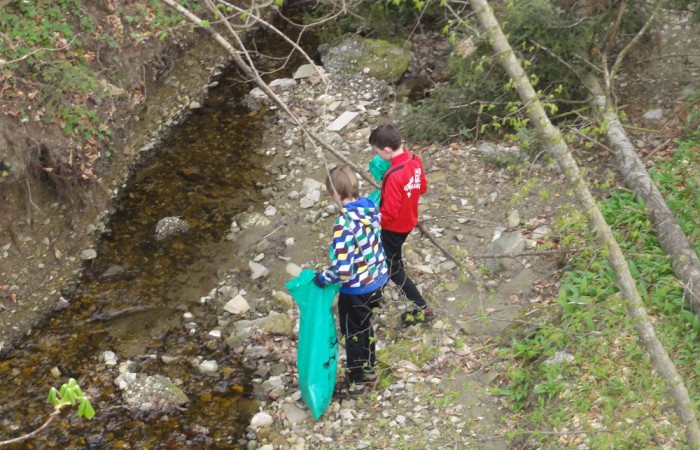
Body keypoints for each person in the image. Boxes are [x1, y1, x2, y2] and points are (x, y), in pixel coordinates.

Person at [313, 165, 389, 396]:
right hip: (378, 279)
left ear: (336, 194)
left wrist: (323, 278)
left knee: (353, 333)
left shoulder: (343, 225)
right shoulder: (369, 208)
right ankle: (369, 369)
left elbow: (344, 271)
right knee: (366, 325)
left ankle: (357, 381)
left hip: (358, 290)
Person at [368, 123, 433, 326]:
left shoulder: (392, 175)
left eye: (377, 151)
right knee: (390, 259)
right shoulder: (414, 160)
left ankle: (423, 308)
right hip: (409, 221)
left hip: (393, 228)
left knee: (393, 267)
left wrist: (371, 220)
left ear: (387, 150)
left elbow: (389, 213)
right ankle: (377, 294)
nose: (377, 155)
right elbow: (422, 188)